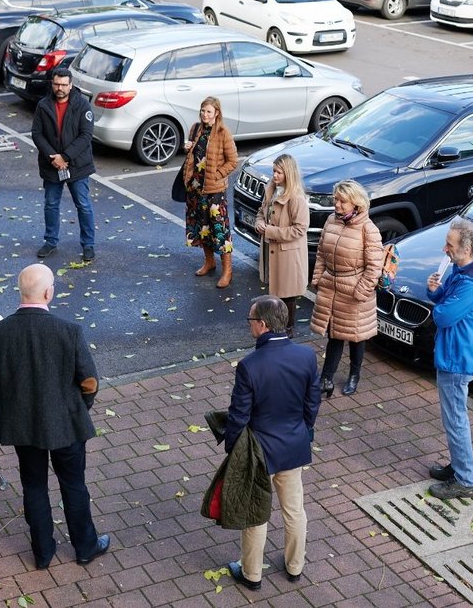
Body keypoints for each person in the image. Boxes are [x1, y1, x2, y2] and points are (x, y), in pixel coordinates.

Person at [0, 263, 109, 569]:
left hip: (23, 425)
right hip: (65, 422)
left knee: (33, 486)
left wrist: (10, 401)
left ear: (21, 292)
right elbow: (89, 382)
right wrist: (78, 406)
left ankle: (43, 552)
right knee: (74, 484)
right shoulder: (69, 331)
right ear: (48, 293)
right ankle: (85, 547)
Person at [224, 295, 321, 591]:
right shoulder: (306, 356)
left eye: (251, 320)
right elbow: (312, 403)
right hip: (293, 446)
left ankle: (251, 573)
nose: (249, 325)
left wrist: (232, 449)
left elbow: (239, 415)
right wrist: (303, 432)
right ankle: (295, 566)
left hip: (260, 451)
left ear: (263, 325)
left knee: (256, 513)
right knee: (294, 510)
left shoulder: (250, 365)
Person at [425, 217, 473, 500]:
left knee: (455, 420)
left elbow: (442, 316)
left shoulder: (470, 286)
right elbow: (444, 300)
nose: (445, 249)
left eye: (449, 245)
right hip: (457, 354)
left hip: (457, 359)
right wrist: (436, 291)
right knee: (454, 418)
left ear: (466, 249)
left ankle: (464, 479)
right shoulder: (466, 269)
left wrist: (438, 301)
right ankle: (458, 466)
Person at [310, 179, 383, 397]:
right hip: (332, 287)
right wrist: (318, 279)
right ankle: (326, 378)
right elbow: (322, 253)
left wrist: (360, 292)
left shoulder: (368, 230)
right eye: (336, 200)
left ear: (356, 204)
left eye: (343, 201)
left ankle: (354, 375)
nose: (337, 205)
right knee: (334, 334)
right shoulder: (332, 220)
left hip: (353, 292)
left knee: (355, 337)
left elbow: (374, 267)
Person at [31, 68, 96, 261]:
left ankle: (88, 244)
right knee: (51, 204)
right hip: (52, 165)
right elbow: (37, 134)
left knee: (83, 205)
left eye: (63, 85)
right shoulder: (43, 105)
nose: (59, 88)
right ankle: (50, 241)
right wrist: (54, 157)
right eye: (56, 84)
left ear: (71, 85)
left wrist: (65, 157)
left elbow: (86, 136)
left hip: (77, 165)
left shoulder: (82, 106)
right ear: (52, 83)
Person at [184, 97, 239, 288]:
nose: (204, 115)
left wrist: (217, 175)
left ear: (217, 113)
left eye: (208, 111)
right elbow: (194, 153)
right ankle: (209, 262)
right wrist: (188, 149)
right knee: (202, 227)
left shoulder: (223, 133)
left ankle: (227, 271)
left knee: (219, 229)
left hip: (214, 190)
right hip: (196, 188)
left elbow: (233, 161)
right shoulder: (195, 129)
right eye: (202, 111)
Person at [255, 154, 310, 335]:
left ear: (288, 173)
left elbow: (300, 230)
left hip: (288, 255)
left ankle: (288, 330)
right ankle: (277, 328)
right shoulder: (272, 189)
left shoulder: (296, 198)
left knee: (287, 296)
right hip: (274, 251)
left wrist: (269, 231)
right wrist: (259, 222)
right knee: (276, 294)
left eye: (279, 172)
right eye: (274, 171)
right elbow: (261, 211)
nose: (275, 176)